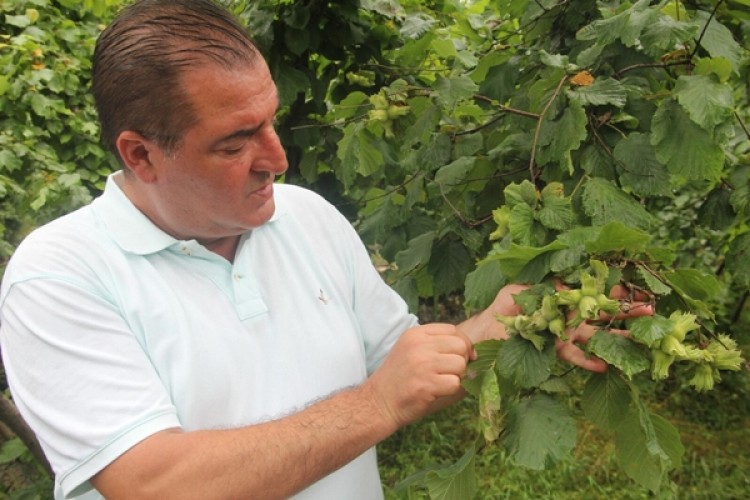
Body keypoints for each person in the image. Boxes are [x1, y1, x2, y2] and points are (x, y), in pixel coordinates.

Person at [0, 1, 652, 499]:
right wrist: (376, 405)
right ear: (141, 154)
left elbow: (402, 367)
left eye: (271, 120)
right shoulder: (59, 276)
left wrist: (510, 327)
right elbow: (154, 483)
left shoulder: (306, 217)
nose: (277, 159)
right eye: (235, 142)